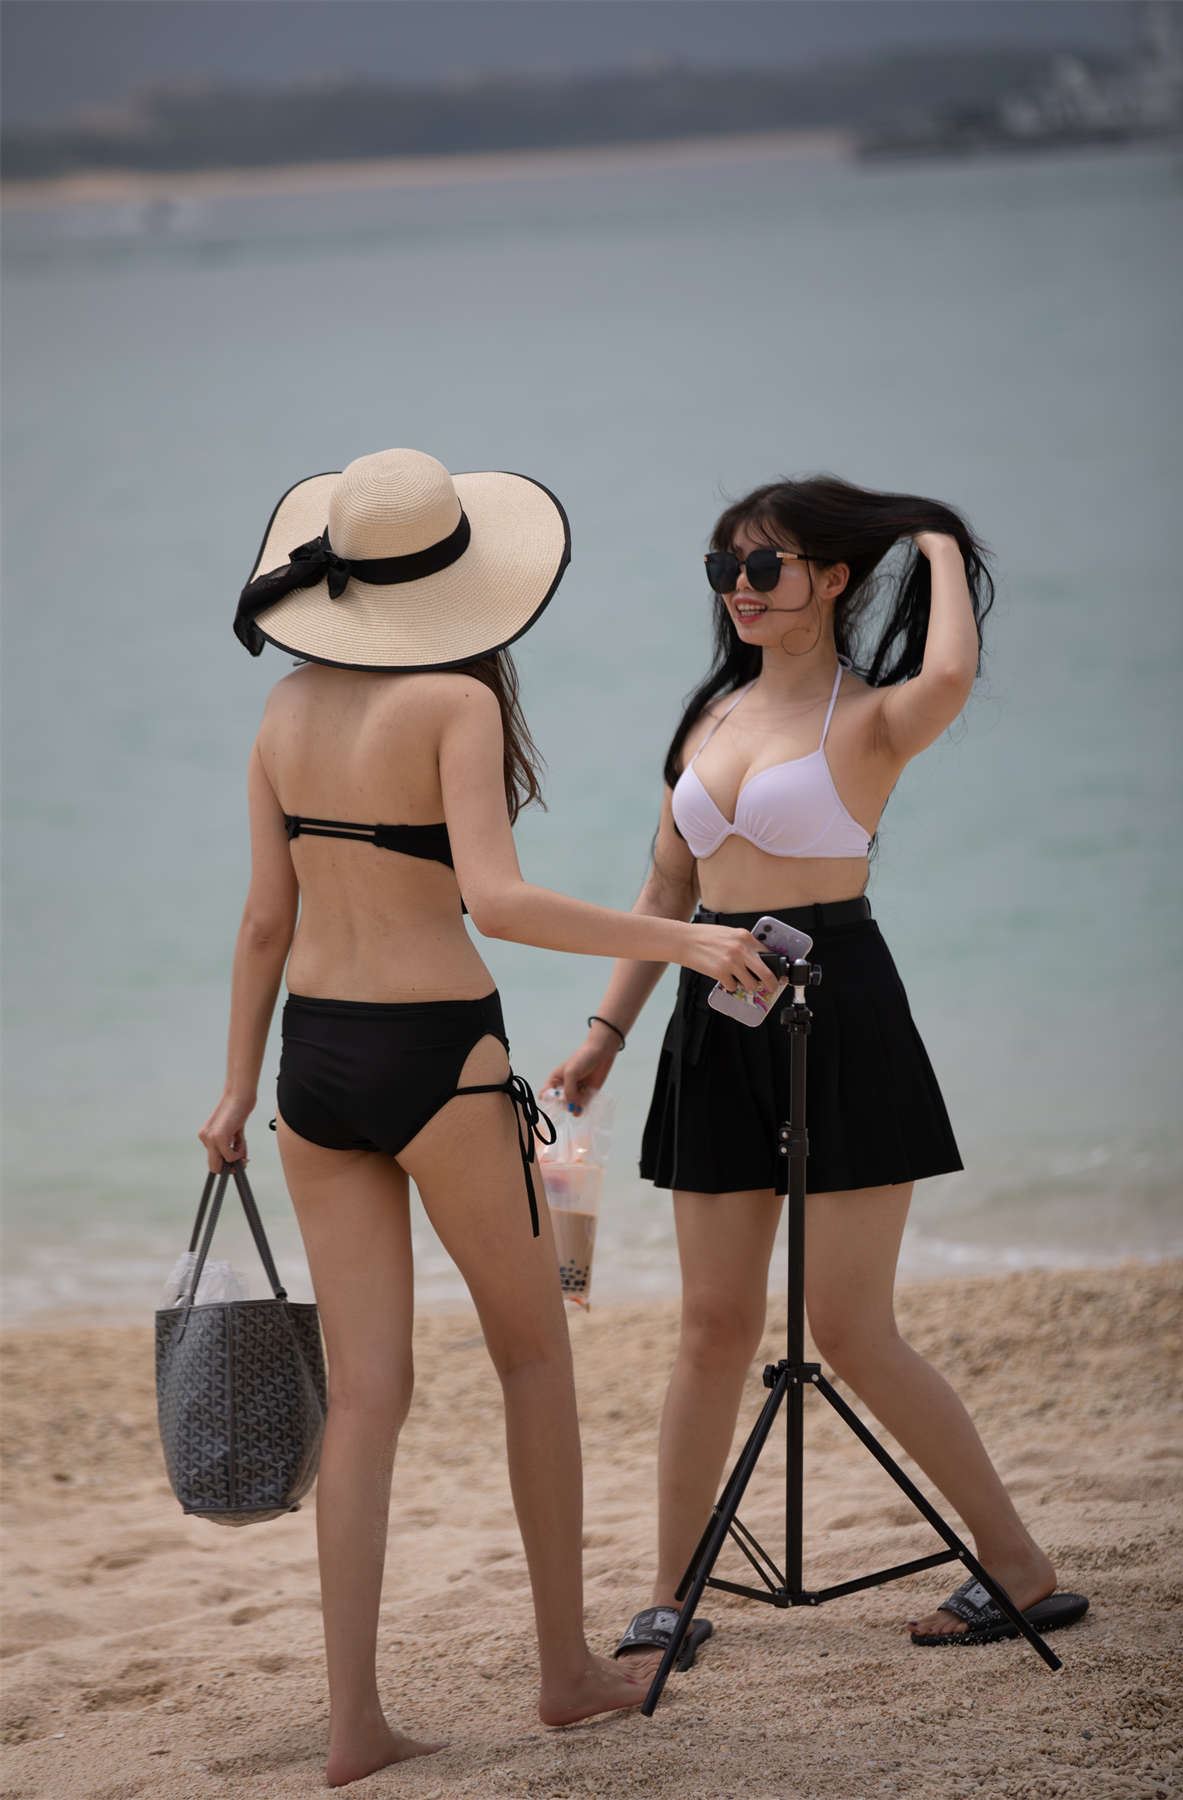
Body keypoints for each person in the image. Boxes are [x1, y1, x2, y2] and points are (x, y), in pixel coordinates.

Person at [198, 449, 775, 1788]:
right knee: (531, 1360)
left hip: (311, 1070)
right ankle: (565, 1671)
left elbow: (264, 921)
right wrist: (685, 937)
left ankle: (354, 1726)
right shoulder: (456, 700)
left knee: (366, 1398)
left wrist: (233, 1087)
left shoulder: (284, 707)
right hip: (439, 1061)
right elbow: (499, 903)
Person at [547, 475, 1088, 1669]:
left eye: (764, 567)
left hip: (839, 1011)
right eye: (724, 570)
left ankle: (1017, 1565)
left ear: (833, 578)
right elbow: (666, 890)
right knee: (712, 1324)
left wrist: (935, 540)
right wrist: (604, 1034)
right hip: (712, 1011)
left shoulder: (874, 716)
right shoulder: (709, 717)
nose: (739, 590)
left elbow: (952, 670)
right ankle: (670, 1597)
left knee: (849, 1324)